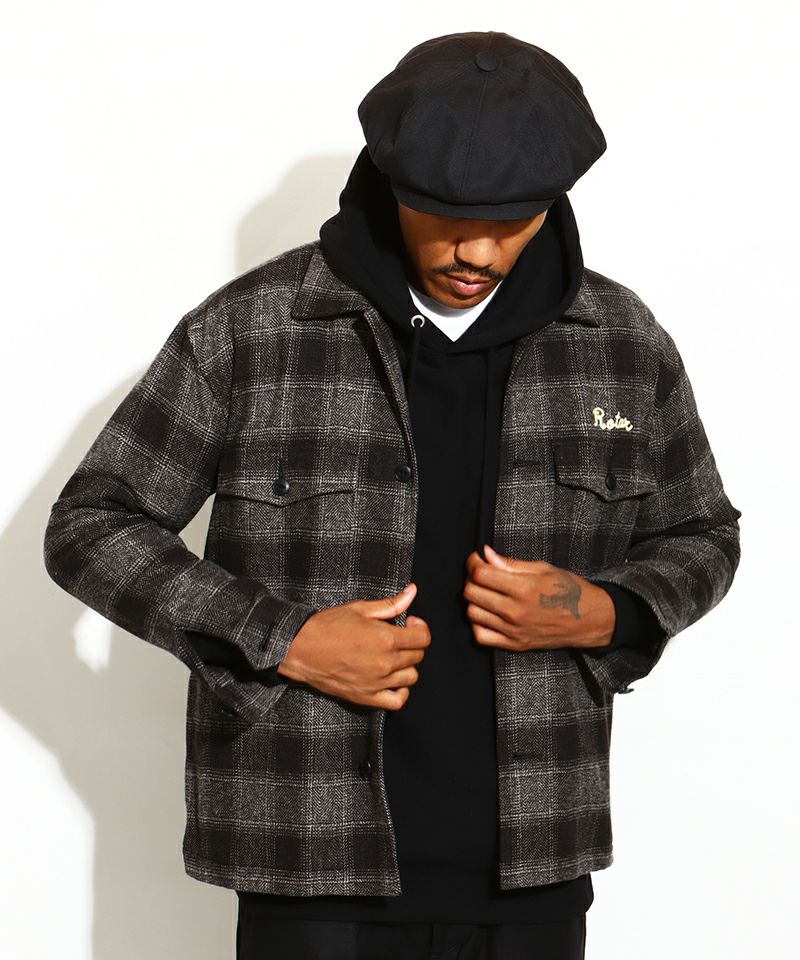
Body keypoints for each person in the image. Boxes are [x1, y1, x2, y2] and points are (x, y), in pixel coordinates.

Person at [43, 30, 742, 960]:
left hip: (534, 868)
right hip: (308, 863)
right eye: (443, 214)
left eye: (512, 220)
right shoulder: (252, 331)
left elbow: (704, 532)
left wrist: (606, 611)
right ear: (390, 180)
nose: (475, 249)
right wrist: (282, 638)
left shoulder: (621, 342)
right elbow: (91, 524)